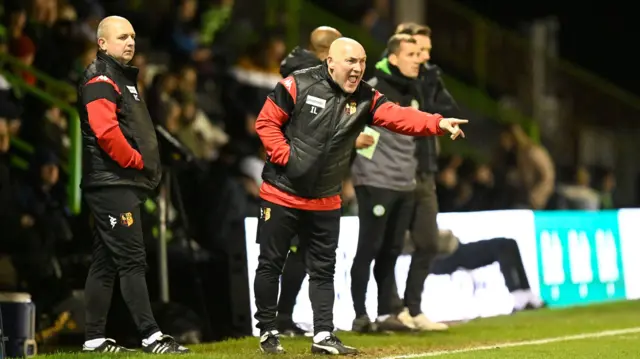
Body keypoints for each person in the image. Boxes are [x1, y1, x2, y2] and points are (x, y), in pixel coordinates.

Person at [253, 37, 467, 355]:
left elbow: (399, 116)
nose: (357, 68)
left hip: (326, 198)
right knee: (271, 264)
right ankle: (268, 330)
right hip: (281, 194)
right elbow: (266, 122)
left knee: (323, 269)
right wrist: (287, 158)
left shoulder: (367, 97)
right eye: (351, 61)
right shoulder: (296, 84)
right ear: (331, 63)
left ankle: (323, 335)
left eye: (362, 61)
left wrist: (436, 123)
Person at [78, 16, 189, 354]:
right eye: (122, 36)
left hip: (121, 182)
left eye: (133, 36)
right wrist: (137, 162)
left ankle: (95, 338)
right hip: (113, 184)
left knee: (106, 261)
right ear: (102, 44)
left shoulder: (122, 79)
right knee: (131, 259)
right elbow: (106, 132)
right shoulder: (100, 78)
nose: (130, 42)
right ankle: (152, 336)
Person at [349, 34, 424, 333]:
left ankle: (384, 313)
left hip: (405, 182)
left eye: (420, 54)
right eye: (411, 54)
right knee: (369, 247)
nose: (418, 59)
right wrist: (356, 149)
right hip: (376, 180)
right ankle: (359, 315)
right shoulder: (374, 88)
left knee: (392, 249)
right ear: (393, 58)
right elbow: (346, 122)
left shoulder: (413, 90)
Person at [385, 23, 457, 331]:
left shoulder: (429, 78)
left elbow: (448, 109)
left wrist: (427, 84)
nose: (423, 57)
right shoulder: (387, 79)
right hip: (392, 173)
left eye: (426, 51)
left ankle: (413, 308)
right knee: (386, 245)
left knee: (428, 242)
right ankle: (389, 310)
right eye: (417, 51)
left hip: (424, 171)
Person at [275, 26, 343, 337]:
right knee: (287, 254)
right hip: (293, 181)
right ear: (329, 51)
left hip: (314, 178)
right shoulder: (302, 79)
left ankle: (286, 319)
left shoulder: (318, 79)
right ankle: (274, 322)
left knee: (304, 254)